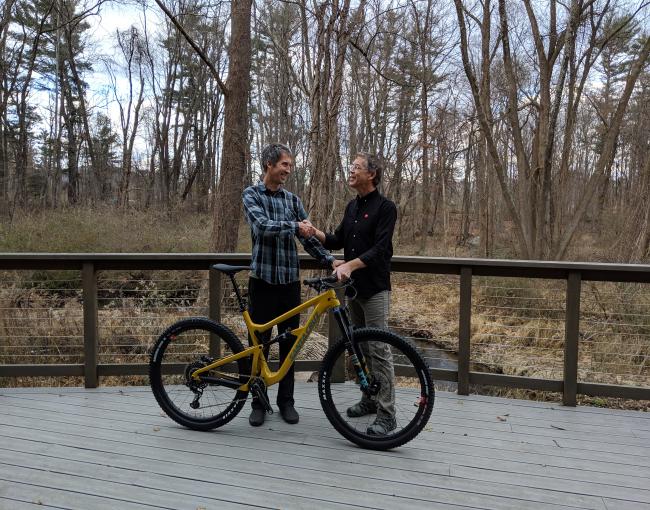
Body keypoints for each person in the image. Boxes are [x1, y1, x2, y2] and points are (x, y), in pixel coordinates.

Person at [242, 143, 335, 427]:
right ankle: (258, 402)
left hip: (289, 285)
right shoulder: (251, 194)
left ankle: (286, 402)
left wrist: (330, 260)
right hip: (262, 282)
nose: (288, 170)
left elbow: (307, 238)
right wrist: (295, 227)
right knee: (258, 345)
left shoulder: (293, 200)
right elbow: (262, 227)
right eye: (285, 165)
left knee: (289, 344)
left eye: (290, 166)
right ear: (269, 164)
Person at [312, 152, 397, 435]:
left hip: (374, 289)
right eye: (351, 167)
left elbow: (380, 250)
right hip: (353, 290)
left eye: (356, 168)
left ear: (371, 174)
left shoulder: (386, 208)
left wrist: (350, 264)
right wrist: (315, 232)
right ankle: (369, 399)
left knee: (379, 350)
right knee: (359, 348)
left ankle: (387, 414)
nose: (351, 171)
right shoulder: (351, 207)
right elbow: (338, 239)